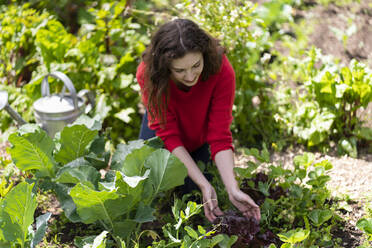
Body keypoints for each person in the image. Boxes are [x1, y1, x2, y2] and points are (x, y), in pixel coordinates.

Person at [136, 18, 260, 222]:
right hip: (164, 134)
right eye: (179, 70)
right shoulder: (149, 74)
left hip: (200, 136)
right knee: (150, 191)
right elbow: (168, 135)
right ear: (165, 67)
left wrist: (232, 187)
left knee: (194, 197)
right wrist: (204, 183)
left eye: (196, 65)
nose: (190, 76)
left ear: (204, 55)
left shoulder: (221, 69)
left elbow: (220, 135)